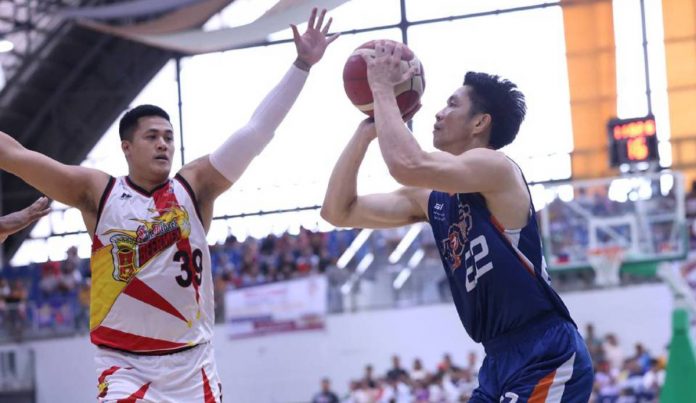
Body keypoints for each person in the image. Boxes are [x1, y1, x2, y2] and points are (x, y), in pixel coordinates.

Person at [0, 8, 337, 402]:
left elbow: (257, 131)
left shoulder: (195, 186)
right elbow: (16, 155)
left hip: (192, 367)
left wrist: (301, 65)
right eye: (152, 137)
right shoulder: (97, 191)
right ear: (126, 147)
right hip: (124, 364)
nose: (163, 144)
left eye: (168, 137)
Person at [321, 40, 593, 402]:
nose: (438, 113)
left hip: (546, 352)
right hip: (497, 359)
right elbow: (337, 211)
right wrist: (366, 129)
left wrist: (383, 90)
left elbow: (408, 164)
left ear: (480, 122)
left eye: (452, 104)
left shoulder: (497, 168)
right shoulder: (432, 199)